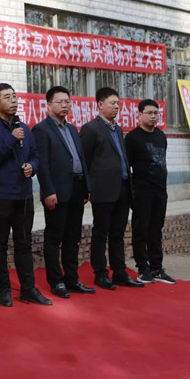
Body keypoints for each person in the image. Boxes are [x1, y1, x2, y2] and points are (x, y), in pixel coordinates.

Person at [0, 83, 52, 307]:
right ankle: (3, 289)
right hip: (1, 195)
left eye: (15, 97)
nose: (13, 101)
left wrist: (32, 166)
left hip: (24, 195)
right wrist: (11, 139)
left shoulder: (25, 129)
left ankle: (28, 289)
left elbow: (36, 155)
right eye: (7, 97)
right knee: (0, 244)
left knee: (24, 243)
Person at [32, 86, 95, 299]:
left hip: (77, 188)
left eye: (67, 101)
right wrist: (48, 191)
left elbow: (81, 160)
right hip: (56, 192)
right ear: (49, 105)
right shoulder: (42, 129)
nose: (64, 105)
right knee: (54, 237)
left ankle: (72, 278)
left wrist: (87, 187)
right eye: (60, 102)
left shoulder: (73, 129)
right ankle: (56, 281)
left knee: (73, 238)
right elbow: (42, 164)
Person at [80, 87, 144, 290]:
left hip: (123, 187)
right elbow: (84, 161)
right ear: (100, 104)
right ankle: (100, 273)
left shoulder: (118, 129)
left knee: (118, 233)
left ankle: (119, 272)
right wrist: (86, 189)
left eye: (118, 103)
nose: (116, 106)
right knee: (101, 232)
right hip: (102, 190)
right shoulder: (91, 129)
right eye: (112, 103)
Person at [125, 99, 176, 284]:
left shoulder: (160, 136)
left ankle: (156, 268)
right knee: (141, 230)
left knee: (156, 230)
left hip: (160, 191)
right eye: (149, 113)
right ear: (140, 114)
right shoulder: (132, 138)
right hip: (142, 192)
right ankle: (143, 269)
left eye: (156, 113)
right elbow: (127, 168)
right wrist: (131, 193)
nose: (153, 116)